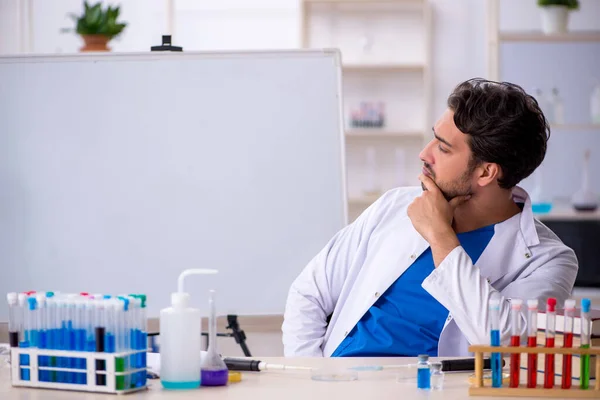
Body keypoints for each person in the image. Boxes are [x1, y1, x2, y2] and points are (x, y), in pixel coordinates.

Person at [282, 78, 578, 357]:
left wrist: (440, 236)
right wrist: (309, 377)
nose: (425, 154)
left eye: (443, 148)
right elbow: (308, 294)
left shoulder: (548, 260)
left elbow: (504, 343)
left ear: (486, 172)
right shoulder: (395, 204)